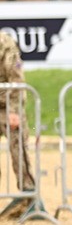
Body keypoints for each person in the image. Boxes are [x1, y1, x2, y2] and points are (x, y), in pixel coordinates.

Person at [0, 31, 36, 201]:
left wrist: (13, 111)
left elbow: (16, 78)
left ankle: (28, 195)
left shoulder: (5, 42)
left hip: (7, 104)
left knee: (18, 150)